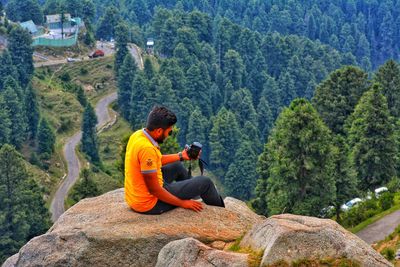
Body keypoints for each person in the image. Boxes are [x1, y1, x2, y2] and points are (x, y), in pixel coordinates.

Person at [124, 106, 225, 214]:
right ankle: (222, 213)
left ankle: (195, 193)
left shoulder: (138, 135)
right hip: (150, 203)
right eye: (169, 132)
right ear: (159, 131)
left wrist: (181, 156)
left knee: (176, 166)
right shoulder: (147, 149)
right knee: (205, 182)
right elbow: (154, 190)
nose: (169, 135)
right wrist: (183, 203)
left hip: (138, 195)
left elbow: (155, 160)